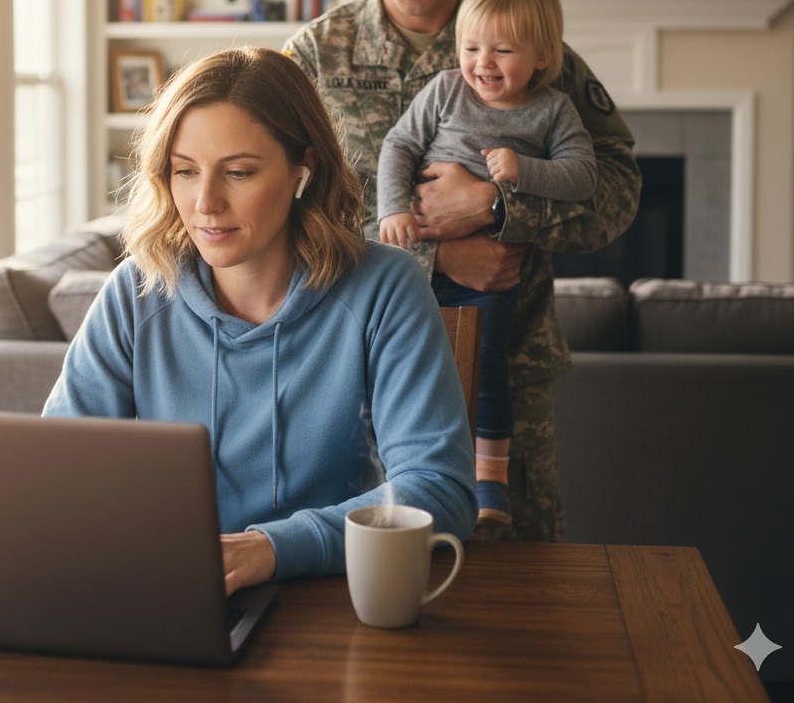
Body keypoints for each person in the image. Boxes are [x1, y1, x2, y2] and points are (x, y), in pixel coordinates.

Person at [283, 0, 641, 542]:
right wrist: (432, 258)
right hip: (355, 373)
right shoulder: (315, 56)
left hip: (504, 373)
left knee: (519, 587)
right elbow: (278, 217)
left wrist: (500, 210)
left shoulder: (530, 45)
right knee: (365, 587)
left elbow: (619, 191)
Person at [43, 46, 477, 594]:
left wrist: (275, 547)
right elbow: (58, 474)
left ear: (304, 169)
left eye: (239, 172)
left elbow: (440, 489)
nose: (205, 203)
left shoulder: (384, 289)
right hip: (172, 593)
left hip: (328, 597)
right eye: (184, 171)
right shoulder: (134, 293)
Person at [377, 0, 597, 528]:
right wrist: (393, 210)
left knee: (485, 370)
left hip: (494, 276)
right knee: (407, 372)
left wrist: (518, 177)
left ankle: (490, 488)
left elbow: (584, 177)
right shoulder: (448, 89)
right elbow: (398, 145)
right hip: (415, 270)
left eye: (503, 50)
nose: (484, 63)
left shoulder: (552, 111)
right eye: (472, 48)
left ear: (544, 55)